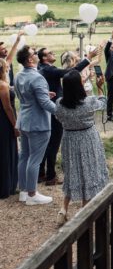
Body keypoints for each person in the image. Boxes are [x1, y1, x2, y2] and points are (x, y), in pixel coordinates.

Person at [54, 70, 109, 225]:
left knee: (72, 172)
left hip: (69, 139)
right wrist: (100, 88)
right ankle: (85, 212)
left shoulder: (59, 103)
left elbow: (58, 117)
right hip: (87, 138)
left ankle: (63, 209)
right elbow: (103, 103)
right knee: (89, 170)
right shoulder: (89, 102)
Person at [37, 45, 96, 186]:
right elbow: (71, 72)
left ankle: (41, 173)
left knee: (47, 142)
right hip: (54, 108)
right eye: (50, 52)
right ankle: (51, 176)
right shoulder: (49, 69)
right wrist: (88, 59)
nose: (53, 53)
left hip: (46, 107)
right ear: (44, 58)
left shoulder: (41, 67)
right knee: (54, 142)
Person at [15, 46, 57, 205]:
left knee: (24, 156)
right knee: (35, 159)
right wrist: (61, 111)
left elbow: (24, 95)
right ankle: (32, 195)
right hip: (38, 123)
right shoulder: (38, 77)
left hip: (24, 120)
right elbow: (45, 104)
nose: (37, 54)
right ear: (30, 59)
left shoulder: (19, 75)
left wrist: (45, 94)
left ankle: (24, 192)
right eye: (34, 53)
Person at [0, 58, 18, 199]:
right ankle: (6, 187)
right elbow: (7, 107)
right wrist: (15, 125)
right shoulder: (2, 86)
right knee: (6, 152)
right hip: (4, 122)